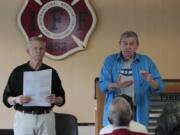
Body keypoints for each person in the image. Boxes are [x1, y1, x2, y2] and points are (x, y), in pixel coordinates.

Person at [99, 30, 164, 126]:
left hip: (138, 110)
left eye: (131, 44)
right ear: (120, 45)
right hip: (115, 111)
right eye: (125, 43)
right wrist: (116, 85)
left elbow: (160, 87)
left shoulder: (146, 61)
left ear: (137, 46)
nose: (128, 47)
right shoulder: (110, 61)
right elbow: (102, 84)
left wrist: (151, 81)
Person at [2, 36, 65, 135]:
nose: (38, 51)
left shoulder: (52, 72)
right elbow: (6, 99)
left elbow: (62, 99)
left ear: (45, 51)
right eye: (35, 48)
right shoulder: (17, 72)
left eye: (41, 48)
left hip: (46, 117)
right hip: (24, 118)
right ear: (28, 51)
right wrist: (16, 99)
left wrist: (55, 99)